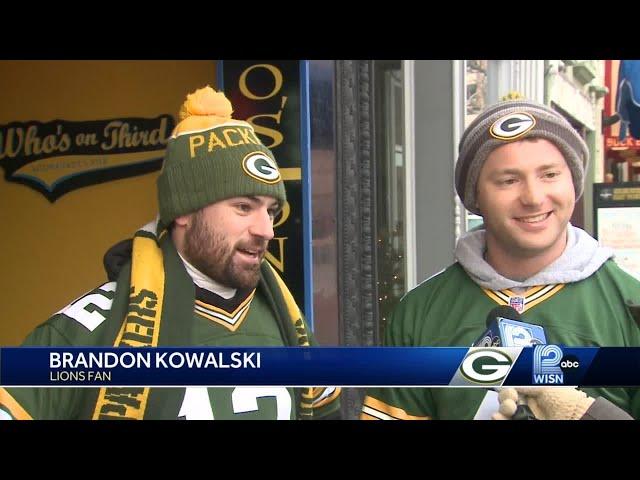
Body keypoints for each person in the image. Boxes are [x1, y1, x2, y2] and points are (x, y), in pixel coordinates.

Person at [0, 86, 341, 420]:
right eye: (243, 207)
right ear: (184, 211)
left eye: (270, 211)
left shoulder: (286, 321)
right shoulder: (92, 329)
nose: (266, 229)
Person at [360, 99, 640, 420]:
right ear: (475, 195)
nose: (533, 197)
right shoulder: (418, 315)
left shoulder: (630, 306)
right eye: (509, 180)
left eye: (549, 174)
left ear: (573, 182)